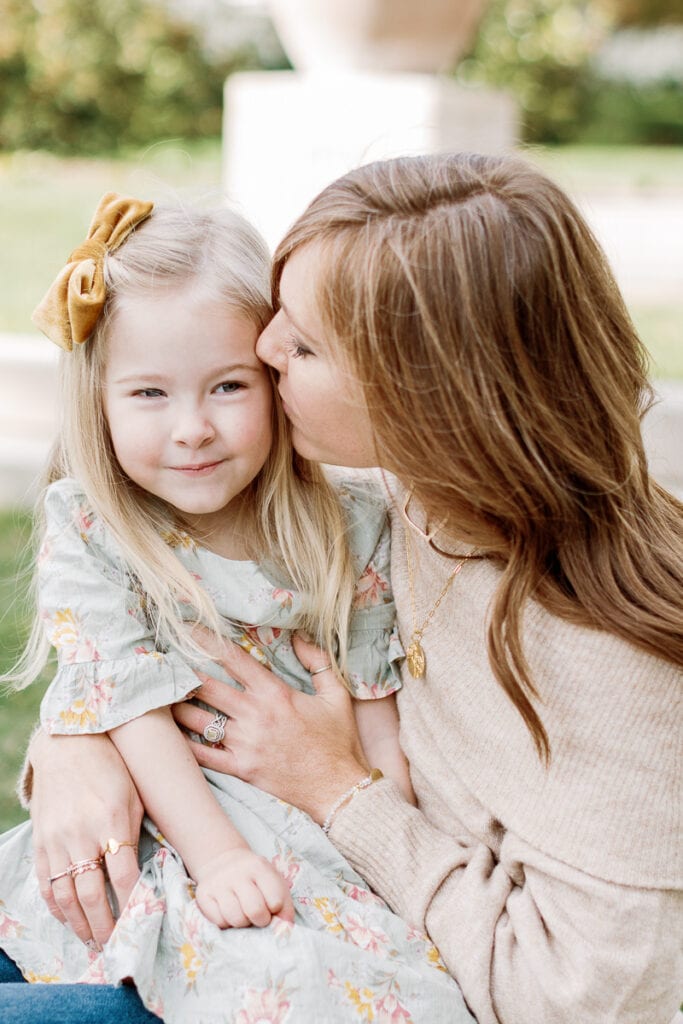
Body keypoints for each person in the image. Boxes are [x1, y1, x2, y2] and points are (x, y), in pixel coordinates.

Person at [7, 151, 683, 1024]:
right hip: (178, 877)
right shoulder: (406, 497)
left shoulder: (607, 664)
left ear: (423, 390)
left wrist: (338, 791)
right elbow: (125, 647)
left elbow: (591, 996)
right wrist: (76, 743)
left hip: (350, 951)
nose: (264, 346)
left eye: (303, 344)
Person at [0, 193, 473, 1023]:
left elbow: (374, 705)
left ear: (275, 379)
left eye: (227, 386)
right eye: (149, 394)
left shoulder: (349, 521)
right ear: (99, 399)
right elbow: (129, 705)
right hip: (171, 826)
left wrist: (383, 841)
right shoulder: (93, 525)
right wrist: (215, 857)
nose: (192, 430)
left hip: (316, 834)